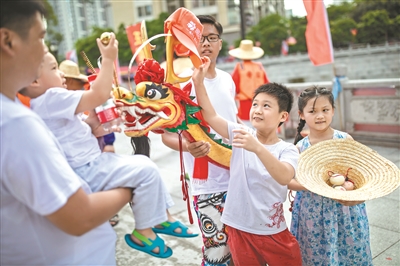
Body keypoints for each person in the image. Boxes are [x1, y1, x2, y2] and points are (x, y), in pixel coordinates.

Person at [0, 1, 133, 264]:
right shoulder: (14, 124)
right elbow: (80, 217)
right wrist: (134, 183)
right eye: (41, 38)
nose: (45, 50)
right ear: (7, 40)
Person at [21, 44, 183, 258]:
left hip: (87, 165)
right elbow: (98, 94)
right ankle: (145, 231)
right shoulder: (52, 98)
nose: (60, 73)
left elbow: (76, 130)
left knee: (144, 167)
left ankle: (159, 217)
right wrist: (108, 59)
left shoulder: (45, 104)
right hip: (87, 168)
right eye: (53, 68)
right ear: (34, 81)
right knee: (145, 169)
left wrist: (93, 124)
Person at [192, 57, 302, 265]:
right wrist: (198, 83)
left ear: (283, 116)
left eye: (266, 106)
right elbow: (211, 116)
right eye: (255, 104)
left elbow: (284, 176)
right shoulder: (240, 133)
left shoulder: (287, 149)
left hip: (272, 230)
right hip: (238, 227)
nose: (258, 110)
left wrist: (257, 148)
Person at [161, 15, 238, 266]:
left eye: (211, 37)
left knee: (242, 250)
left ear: (220, 43)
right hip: (207, 183)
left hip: (238, 177)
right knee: (217, 252)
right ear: (189, 43)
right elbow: (167, 136)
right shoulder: (182, 83)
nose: (206, 43)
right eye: (199, 38)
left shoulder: (227, 79)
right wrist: (188, 147)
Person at [288, 86, 373, 265]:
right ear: (301, 114)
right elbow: (287, 180)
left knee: (351, 251)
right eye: (312, 111)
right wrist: (310, 184)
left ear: (333, 111)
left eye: (325, 110)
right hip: (312, 211)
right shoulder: (299, 149)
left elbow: (360, 174)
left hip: (345, 209)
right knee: (315, 253)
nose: (320, 116)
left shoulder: (345, 140)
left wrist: (356, 195)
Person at [229, 40, 269, 123]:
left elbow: (233, 86)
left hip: (245, 104)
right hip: (260, 102)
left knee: (246, 126)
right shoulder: (259, 66)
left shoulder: (240, 67)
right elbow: (267, 85)